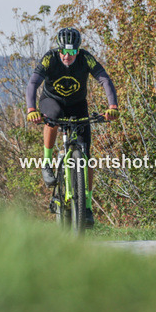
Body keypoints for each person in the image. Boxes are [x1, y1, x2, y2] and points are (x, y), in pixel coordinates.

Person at [26, 27, 119, 226]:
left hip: (77, 105)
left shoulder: (86, 58)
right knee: (53, 116)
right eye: (64, 52)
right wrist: (31, 109)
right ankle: (47, 162)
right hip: (52, 101)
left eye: (72, 52)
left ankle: (86, 206)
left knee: (87, 156)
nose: (67, 56)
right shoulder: (50, 58)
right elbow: (33, 83)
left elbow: (104, 79)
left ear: (78, 50)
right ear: (58, 49)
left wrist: (112, 107)